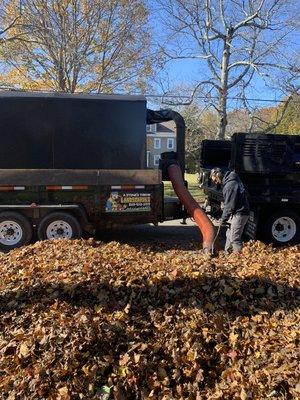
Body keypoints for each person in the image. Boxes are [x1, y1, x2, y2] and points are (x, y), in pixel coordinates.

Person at [210, 167, 250, 254]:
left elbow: (229, 206)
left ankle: (238, 260)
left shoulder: (230, 185)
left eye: (215, 179)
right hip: (236, 212)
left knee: (234, 238)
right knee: (229, 234)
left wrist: (223, 218)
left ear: (218, 175)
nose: (215, 182)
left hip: (240, 213)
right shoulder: (231, 182)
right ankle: (227, 255)